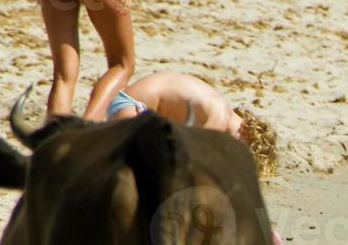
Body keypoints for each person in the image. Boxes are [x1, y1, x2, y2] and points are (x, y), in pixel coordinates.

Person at [106, 71, 278, 177]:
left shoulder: (219, 106)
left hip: (134, 103)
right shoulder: (220, 114)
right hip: (135, 107)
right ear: (246, 136)